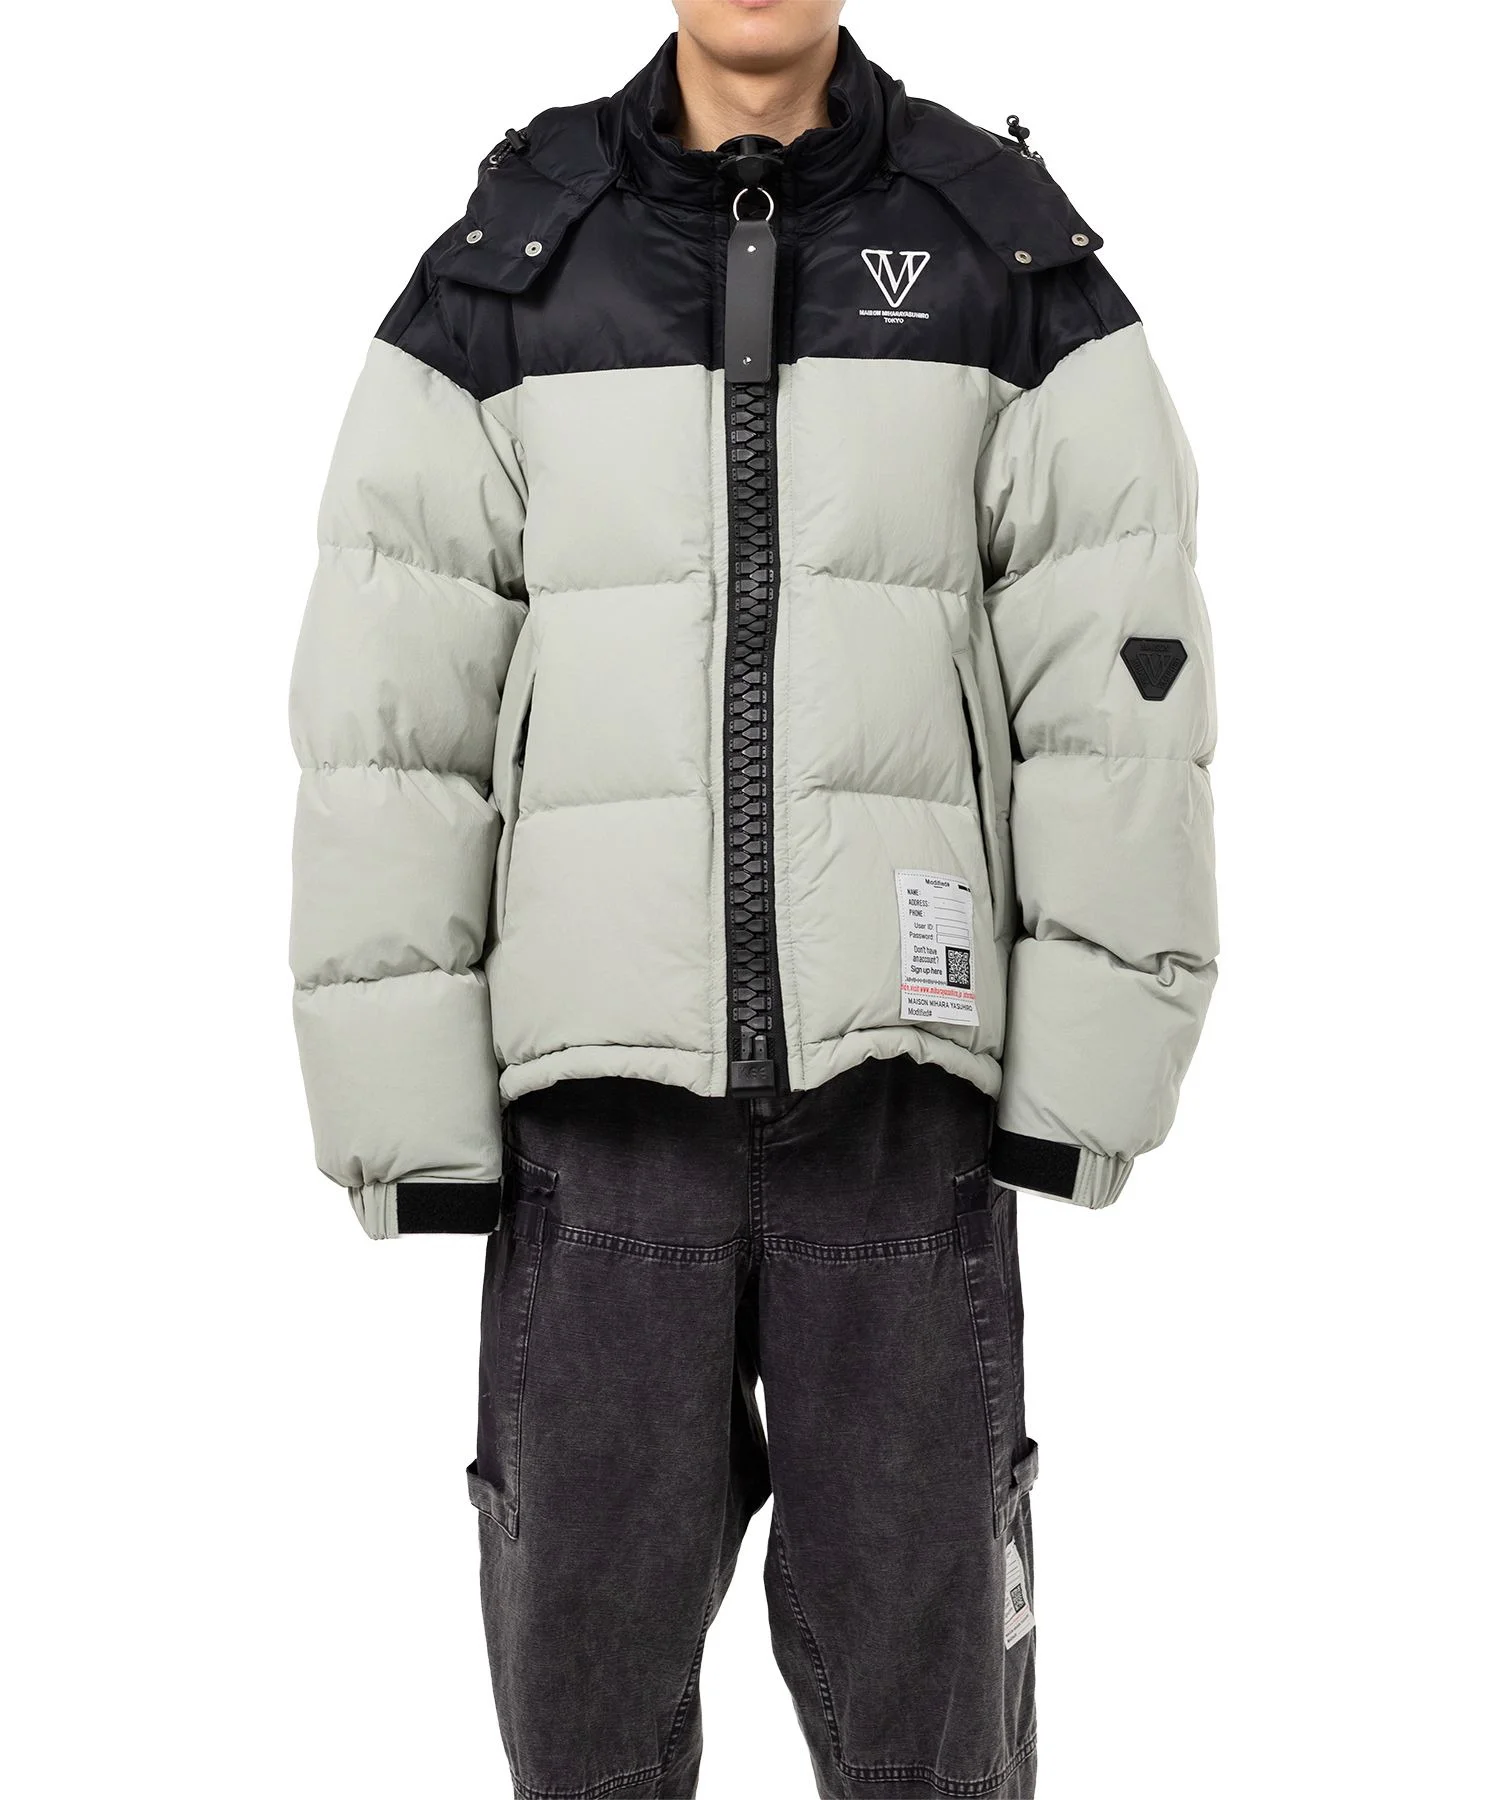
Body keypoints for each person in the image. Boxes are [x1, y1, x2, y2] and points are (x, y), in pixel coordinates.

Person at [287, 1, 1217, 1793]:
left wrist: (1092, 1068)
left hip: (900, 1110)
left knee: (932, 1724)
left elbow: (1122, 674)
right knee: (584, 1709)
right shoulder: (508, 266)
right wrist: (406, 1113)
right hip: (597, 1124)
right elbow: (390, 709)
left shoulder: (1000, 252)